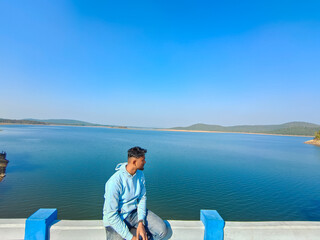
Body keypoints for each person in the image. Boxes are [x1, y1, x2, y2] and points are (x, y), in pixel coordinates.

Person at [103, 146, 169, 240]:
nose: (145, 162)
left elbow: (142, 198)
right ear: (134, 162)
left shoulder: (140, 174)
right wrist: (131, 238)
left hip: (134, 213)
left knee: (162, 230)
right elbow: (111, 214)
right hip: (116, 218)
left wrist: (141, 222)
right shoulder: (114, 182)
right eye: (143, 160)